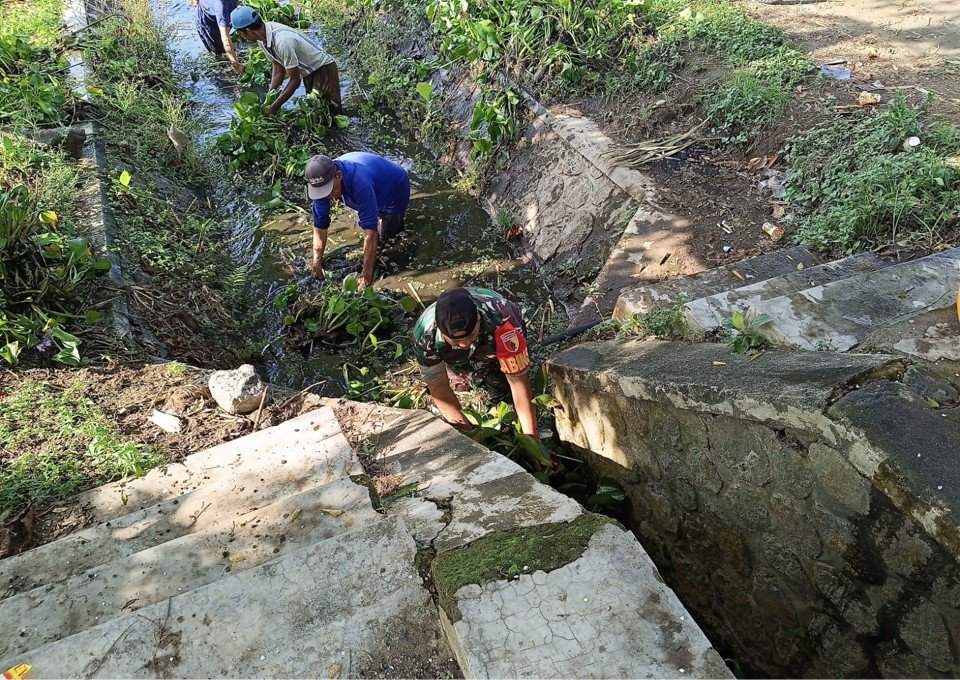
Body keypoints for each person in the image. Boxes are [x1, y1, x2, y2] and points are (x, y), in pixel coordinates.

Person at [412, 287, 539, 441]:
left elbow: (519, 383)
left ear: (478, 317)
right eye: (457, 341)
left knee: (502, 387)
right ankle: (460, 375)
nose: (465, 344)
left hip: (492, 337)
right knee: (459, 378)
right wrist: (471, 436)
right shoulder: (424, 336)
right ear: (441, 330)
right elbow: (438, 388)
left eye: (470, 335)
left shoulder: (504, 321)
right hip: (450, 354)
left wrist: (532, 438)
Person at [305, 152, 410, 288]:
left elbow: (370, 234)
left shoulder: (359, 182)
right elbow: (320, 227)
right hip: (370, 184)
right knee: (366, 214)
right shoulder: (322, 183)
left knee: (387, 237)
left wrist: (366, 274)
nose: (328, 197)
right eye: (322, 193)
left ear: (339, 176)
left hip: (394, 188)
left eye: (330, 191)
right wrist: (317, 262)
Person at [230, 6, 341, 113]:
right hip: (308, 72)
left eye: (240, 34)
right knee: (317, 111)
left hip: (323, 70)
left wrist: (275, 107)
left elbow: (295, 80)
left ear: (248, 31)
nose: (241, 37)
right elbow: (278, 68)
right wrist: (270, 96)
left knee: (331, 112)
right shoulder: (262, 38)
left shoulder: (282, 41)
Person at [193, 0, 243, 74]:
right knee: (220, 53)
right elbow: (225, 36)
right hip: (207, 21)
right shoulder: (221, 5)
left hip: (220, 10)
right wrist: (236, 65)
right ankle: (224, 68)